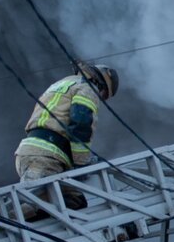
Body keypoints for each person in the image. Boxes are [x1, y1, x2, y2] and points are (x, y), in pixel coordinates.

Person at [12, 61, 118, 218]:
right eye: (103, 96)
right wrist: (81, 164)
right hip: (45, 156)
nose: (100, 99)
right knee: (30, 205)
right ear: (101, 83)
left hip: (40, 154)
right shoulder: (88, 88)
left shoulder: (64, 83)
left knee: (75, 202)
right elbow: (81, 124)